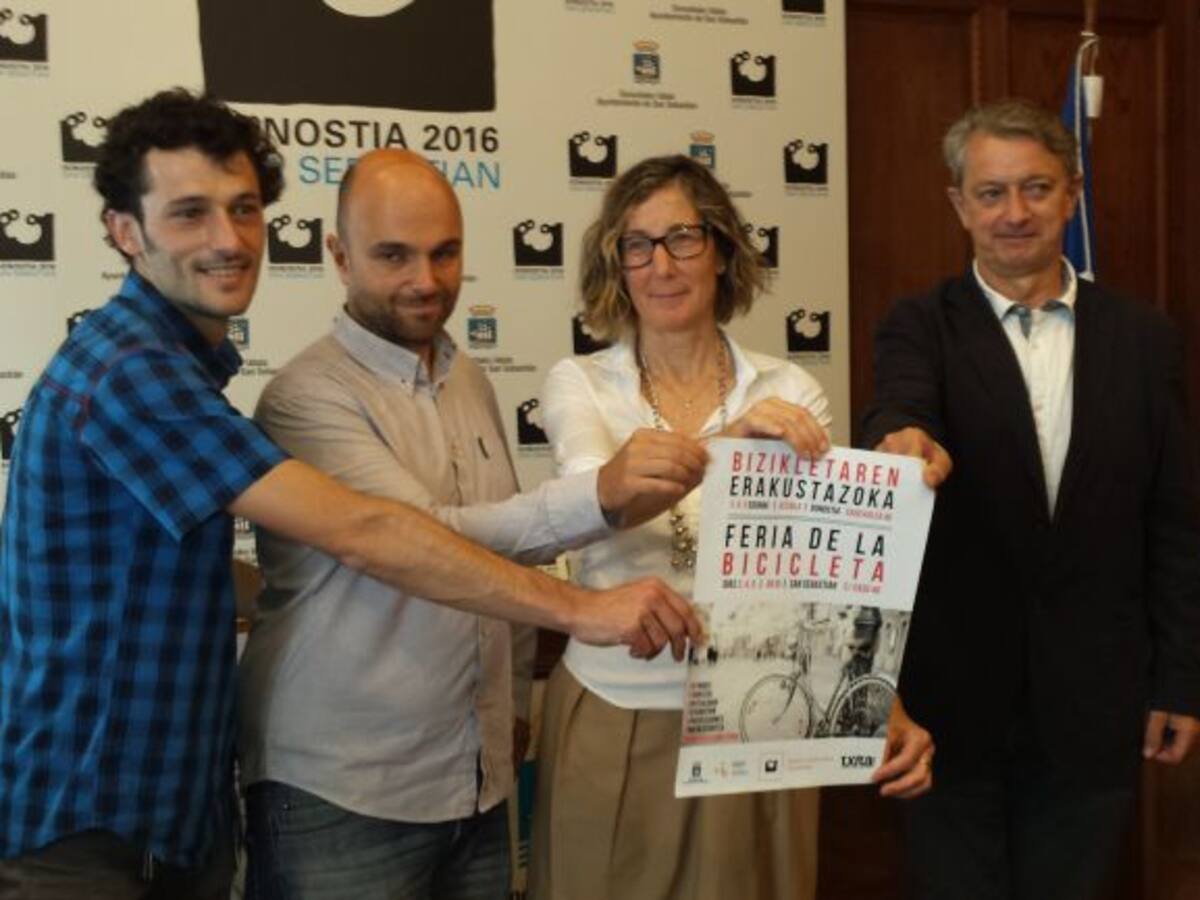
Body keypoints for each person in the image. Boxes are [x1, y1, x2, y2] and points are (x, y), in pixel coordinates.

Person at [0, 90, 701, 900]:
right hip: (94, 824)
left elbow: (161, 569)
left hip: (180, 813)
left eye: (244, 208)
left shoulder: (180, 366)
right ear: (125, 231)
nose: (228, 239)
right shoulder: (133, 372)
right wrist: (581, 603)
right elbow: (372, 533)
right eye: (190, 213)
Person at [238, 149, 709, 900]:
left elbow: (509, 562)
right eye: (394, 255)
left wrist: (511, 708)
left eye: (445, 252)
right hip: (346, 792)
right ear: (339, 256)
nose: (425, 279)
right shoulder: (305, 397)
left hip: (476, 782)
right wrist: (600, 496)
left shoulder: (468, 379)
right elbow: (422, 539)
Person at [529, 154, 934, 900]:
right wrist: (733, 448)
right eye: (637, 245)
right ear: (617, 265)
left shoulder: (789, 388)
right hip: (617, 709)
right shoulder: (579, 383)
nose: (661, 265)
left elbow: (821, 576)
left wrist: (885, 704)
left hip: (759, 718)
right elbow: (603, 505)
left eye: (682, 238)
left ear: (721, 250)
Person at [861, 98, 1200, 900]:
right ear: (959, 204)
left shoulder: (1146, 338)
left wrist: (1180, 681)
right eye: (991, 192)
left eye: (1036, 188)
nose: (1014, 213)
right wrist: (903, 438)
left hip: (1097, 705)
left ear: (1072, 195)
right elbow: (899, 405)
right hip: (949, 708)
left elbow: (1176, 521)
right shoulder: (919, 325)